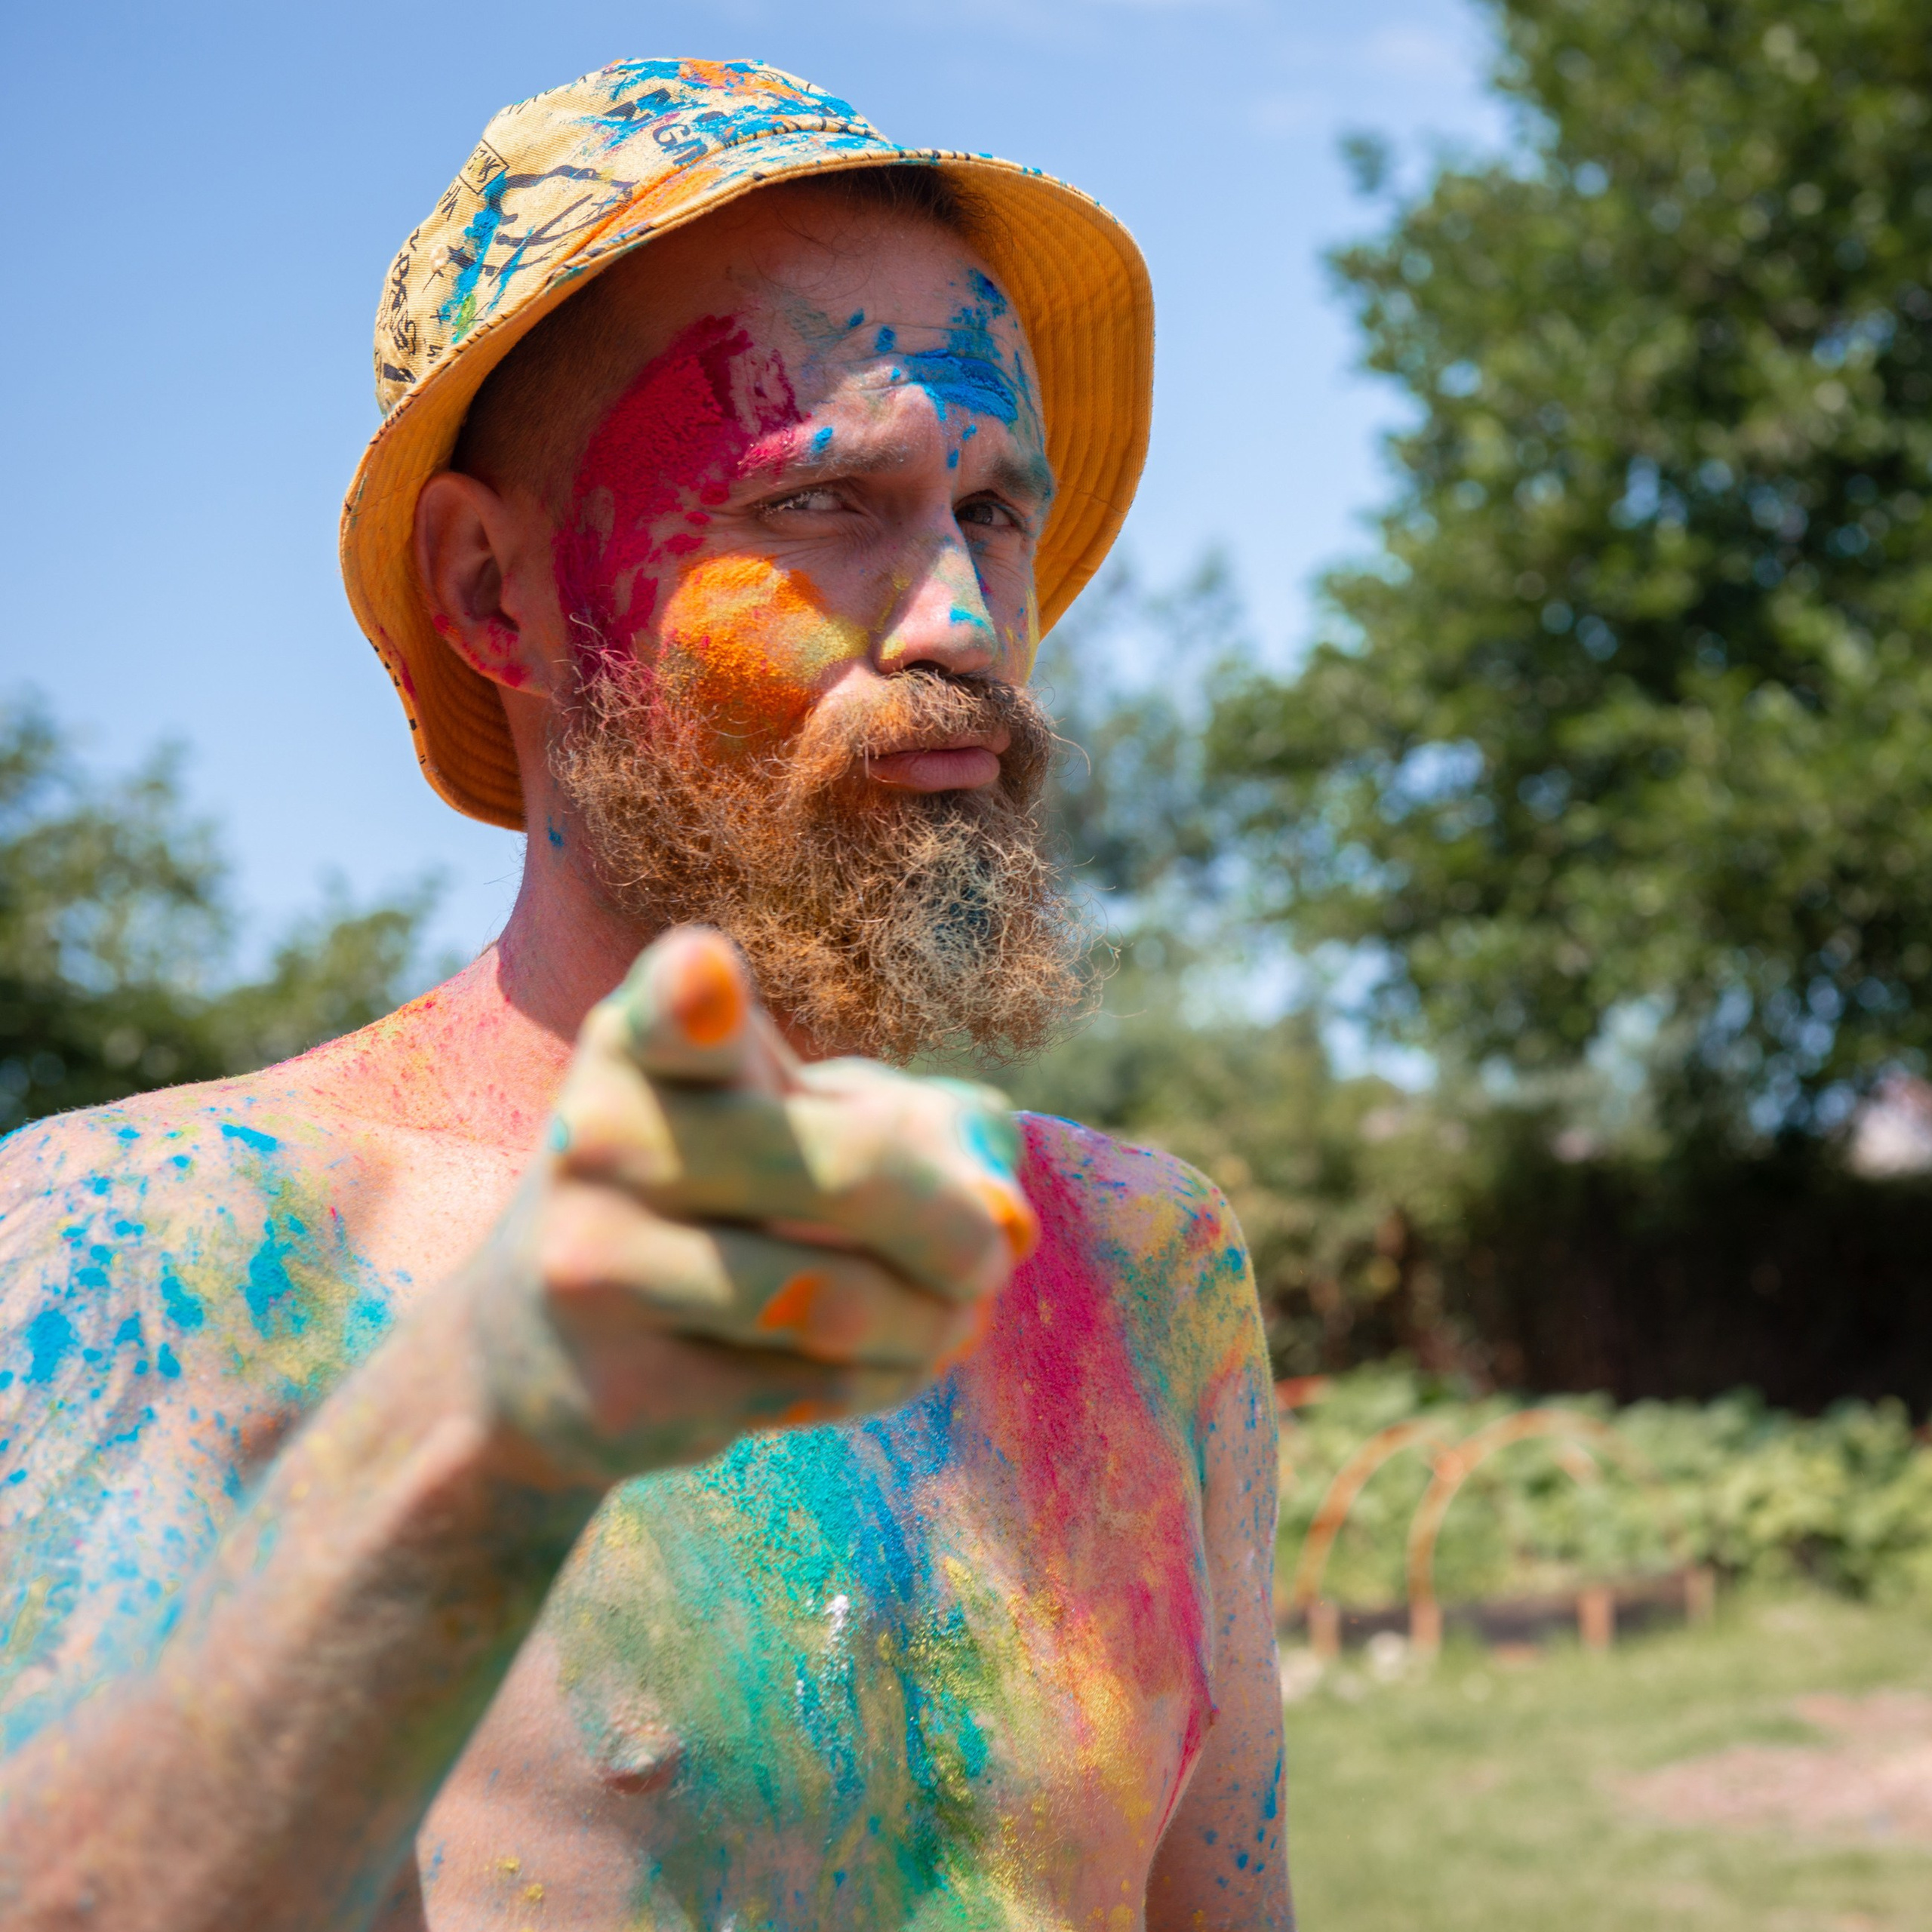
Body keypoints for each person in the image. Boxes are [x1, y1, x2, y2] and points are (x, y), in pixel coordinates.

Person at [0, 58, 1290, 1930]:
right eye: (827, 496)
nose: (955, 619)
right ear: (490, 588)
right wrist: (494, 1414)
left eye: (993, 508)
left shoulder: (1143, 1268)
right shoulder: (162, 1246)